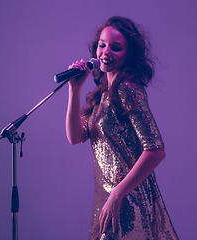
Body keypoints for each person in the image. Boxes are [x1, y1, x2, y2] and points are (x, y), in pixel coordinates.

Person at [65, 16, 178, 239]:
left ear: (128, 55)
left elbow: (155, 150)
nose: (106, 52)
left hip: (127, 201)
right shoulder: (101, 95)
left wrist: (117, 194)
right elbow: (75, 137)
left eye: (116, 48)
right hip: (107, 201)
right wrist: (74, 90)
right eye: (102, 45)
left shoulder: (127, 89)